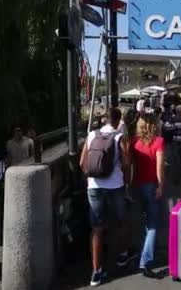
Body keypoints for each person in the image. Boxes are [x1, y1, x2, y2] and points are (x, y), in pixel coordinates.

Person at [79, 108, 137, 287]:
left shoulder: (91, 135)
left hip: (94, 187)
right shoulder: (120, 137)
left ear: (105, 119)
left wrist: (92, 179)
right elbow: (127, 163)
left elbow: (82, 163)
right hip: (115, 186)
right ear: (118, 120)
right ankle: (122, 255)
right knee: (121, 221)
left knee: (97, 228)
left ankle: (96, 272)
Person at [131, 115, 165, 279]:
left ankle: (146, 250)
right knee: (153, 224)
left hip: (137, 185)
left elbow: (129, 165)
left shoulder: (134, 143)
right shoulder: (159, 141)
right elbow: (159, 167)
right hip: (151, 184)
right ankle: (145, 261)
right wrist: (161, 185)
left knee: (146, 220)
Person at [163, 105, 181, 186]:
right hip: (175, 143)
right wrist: (173, 127)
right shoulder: (172, 119)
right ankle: (176, 178)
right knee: (176, 161)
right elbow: (165, 127)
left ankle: (180, 172)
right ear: (179, 111)